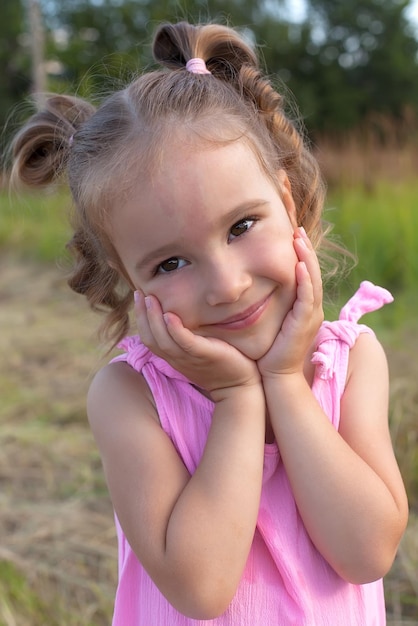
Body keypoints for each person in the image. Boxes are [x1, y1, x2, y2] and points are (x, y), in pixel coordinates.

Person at [10, 20, 408, 626]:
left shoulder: (351, 362)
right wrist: (239, 398)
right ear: (126, 277)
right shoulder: (131, 397)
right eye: (171, 263)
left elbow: (367, 552)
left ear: (287, 198)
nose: (226, 285)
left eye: (242, 226)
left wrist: (285, 384)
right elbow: (201, 588)